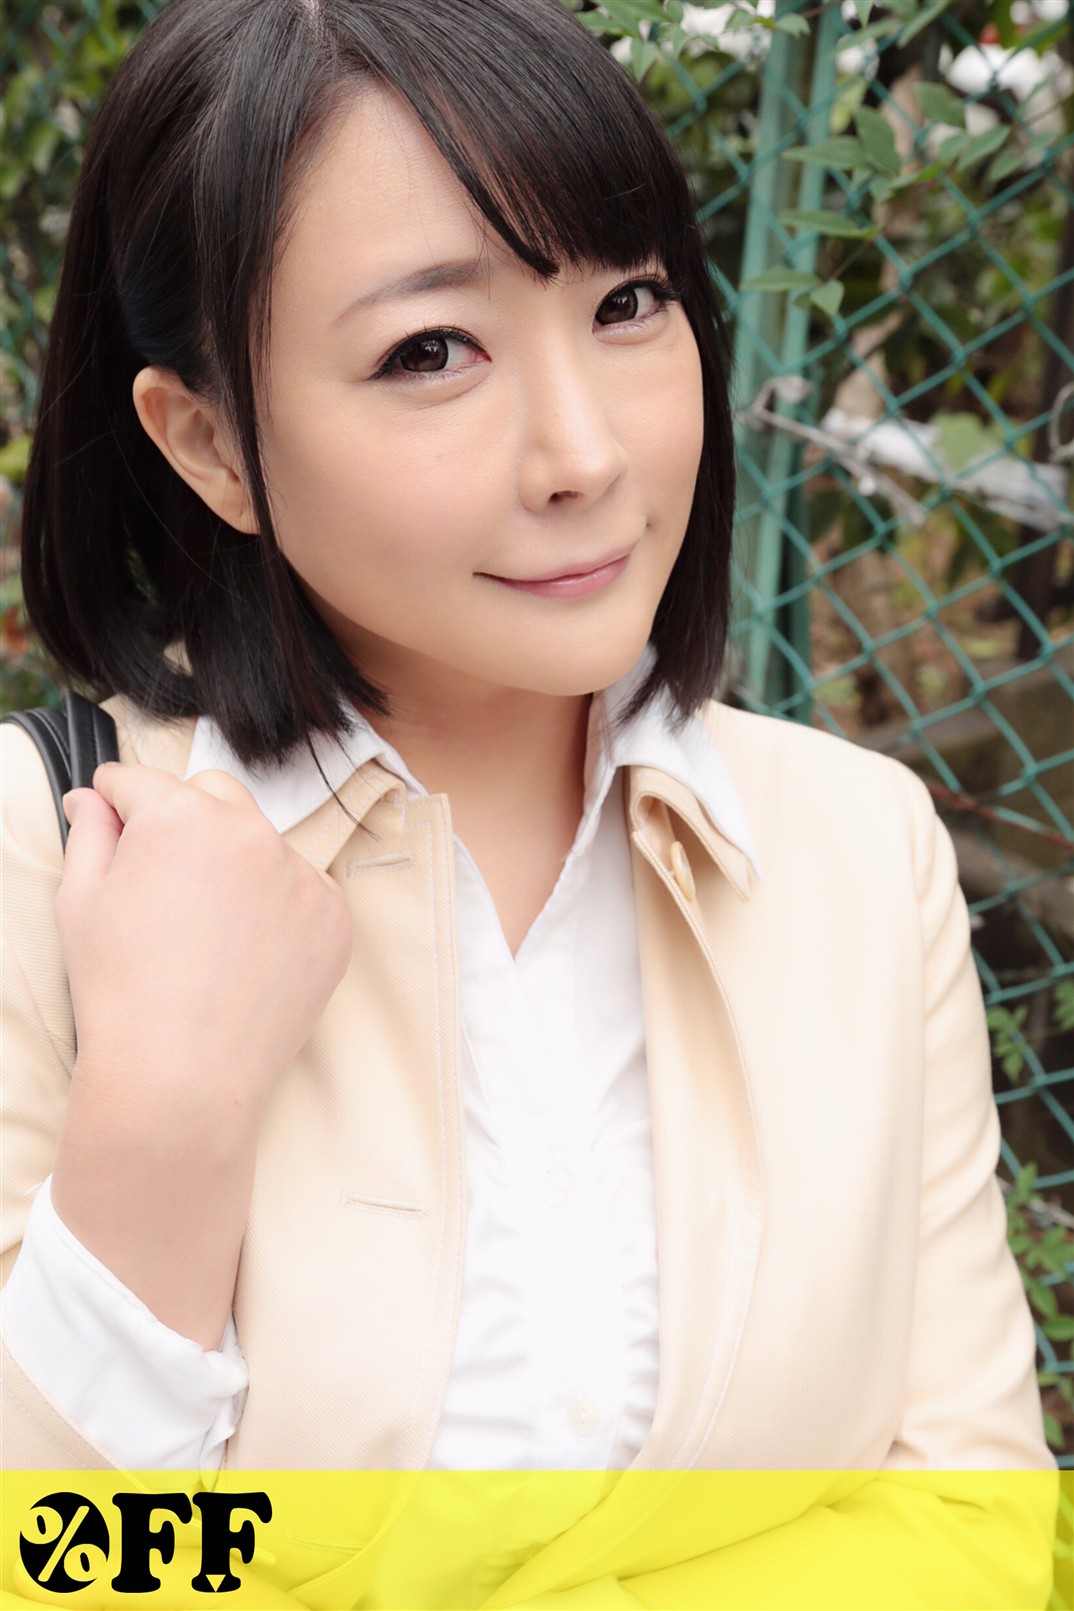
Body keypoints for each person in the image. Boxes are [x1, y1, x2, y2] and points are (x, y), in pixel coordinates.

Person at [0, 0, 1057, 1605]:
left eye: (626, 302)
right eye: (431, 351)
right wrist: (162, 1125)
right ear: (209, 444)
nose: (585, 453)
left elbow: (966, 1532)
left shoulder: (853, 847)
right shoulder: (46, 859)